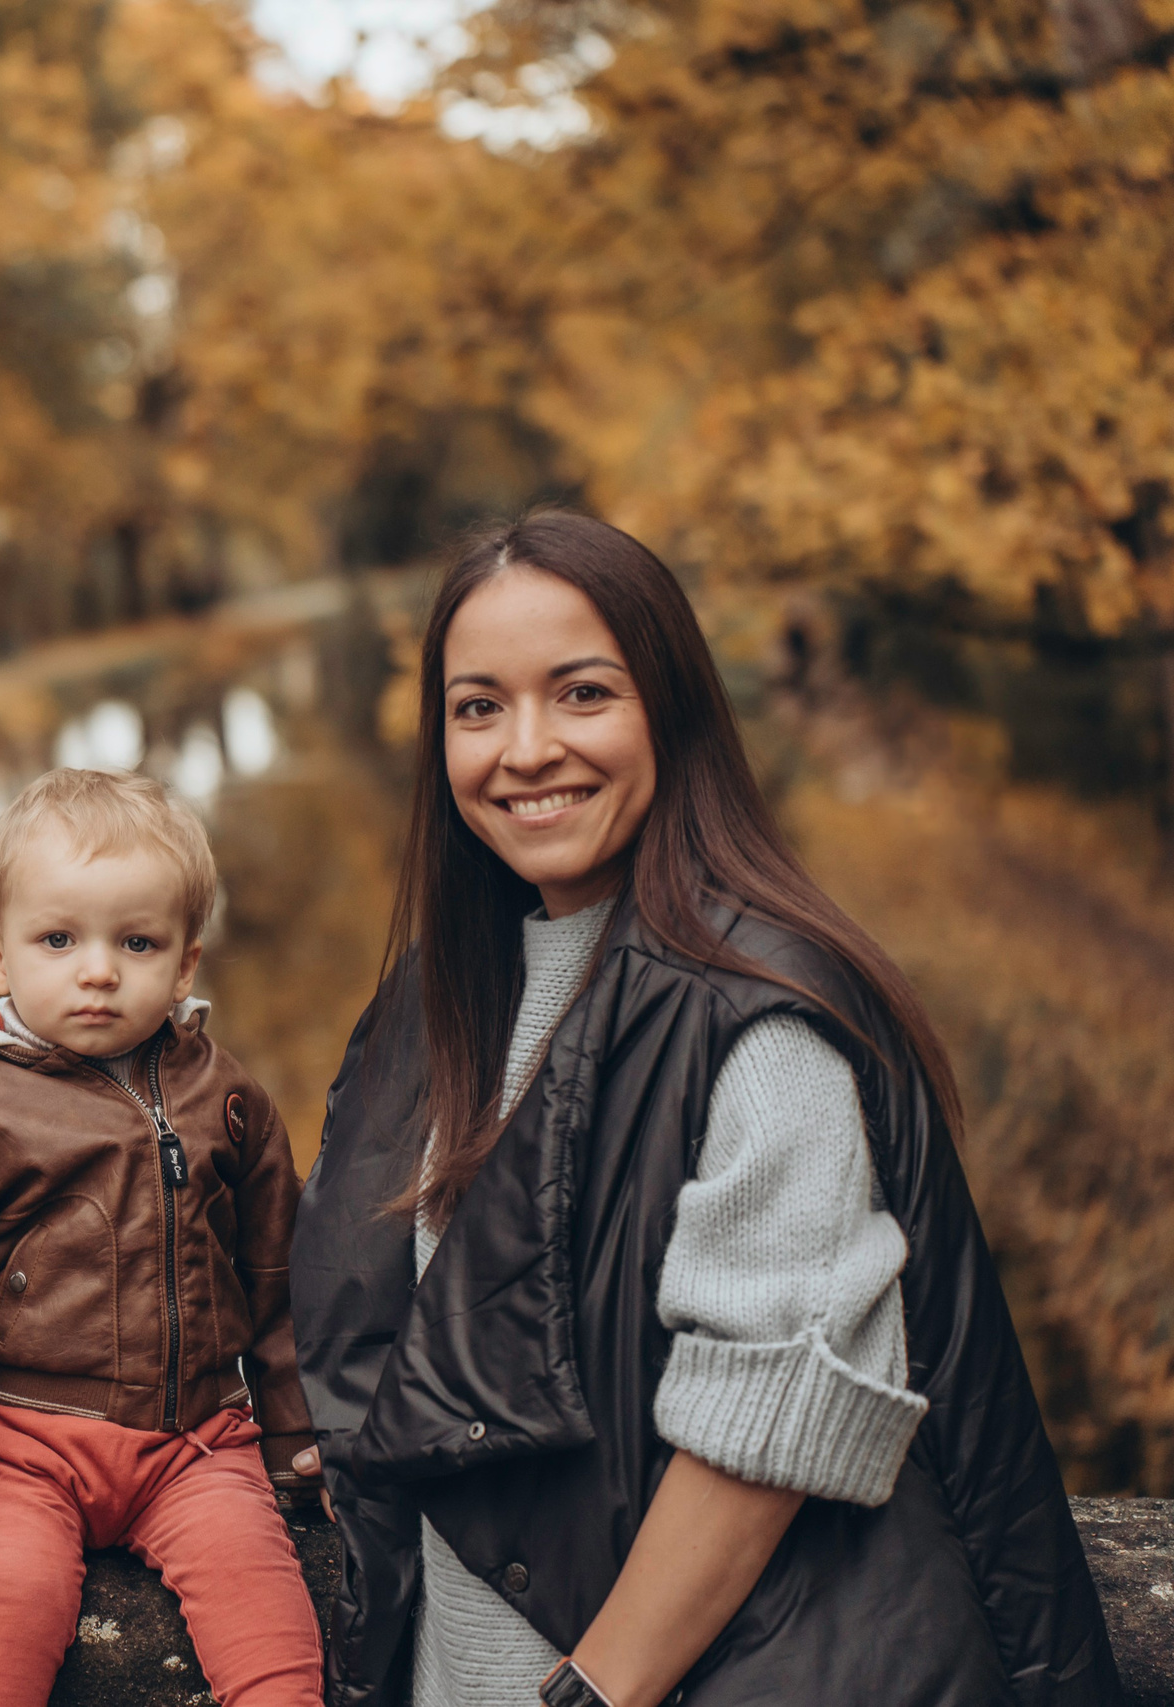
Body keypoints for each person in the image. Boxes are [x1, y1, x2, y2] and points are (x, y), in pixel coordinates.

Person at [287, 511, 1119, 1707]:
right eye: (477, 707)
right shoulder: (435, 1003)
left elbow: (770, 1420)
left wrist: (589, 1692)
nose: (523, 750)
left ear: (669, 708)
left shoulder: (757, 1017)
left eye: (580, 693)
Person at [0, 766, 323, 1707]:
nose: (99, 969)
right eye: (58, 939)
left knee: (271, 1616)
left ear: (187, 962)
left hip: (195, 1439)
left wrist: (296, 1426)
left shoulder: (223, 1095)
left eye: (137, 941)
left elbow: (278, 1271)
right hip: (25, 1444)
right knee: (10, 1604)